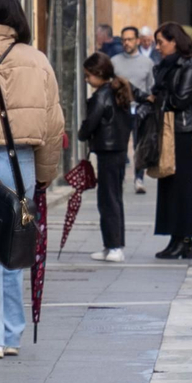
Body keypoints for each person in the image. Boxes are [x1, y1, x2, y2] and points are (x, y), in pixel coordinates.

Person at [0, 0, 65, 358]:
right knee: (15, 244)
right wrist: (44, 176)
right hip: (19, 162)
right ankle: (11, 335)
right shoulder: (37, 60)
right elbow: (53, 123)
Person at [153, 22, 192, 259]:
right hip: (166, 129)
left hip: (183, 131)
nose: (158, 47)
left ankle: (186, 239)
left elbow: (181, 98)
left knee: (183, 187)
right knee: (168, 185)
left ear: (174, 41)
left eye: (161, 42)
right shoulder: (164, 65)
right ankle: (175, 237)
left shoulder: (190, 65)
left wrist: (159, 97)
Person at [80, 53, 134, 263]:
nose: (86, 79)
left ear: (98, 74)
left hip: (108, 151)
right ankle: (112, 244)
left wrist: (82, 133)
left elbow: (91, 121)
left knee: (108, 200)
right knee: (113, 198)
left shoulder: (102, 95)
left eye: (88, 75)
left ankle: (114, 246)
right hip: (116, 150)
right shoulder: (116, 91)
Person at [112, 25, 155, 196]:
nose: (126, 43)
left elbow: (151, 88)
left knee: (140, 146)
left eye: (130, 39)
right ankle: (120, 177)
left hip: (141, 110)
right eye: (123, 40)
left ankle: (139, 179)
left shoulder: (147, 63)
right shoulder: (114, 61)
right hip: (119, 110)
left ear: (137, 41)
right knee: (120, 145)